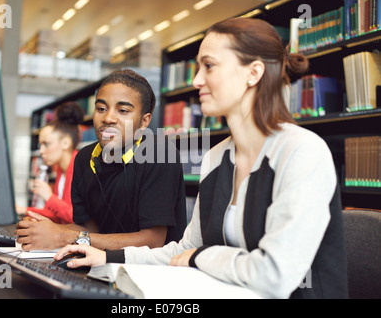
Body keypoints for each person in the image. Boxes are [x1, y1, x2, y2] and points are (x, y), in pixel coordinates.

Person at [54, 18, 348, 299]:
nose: (197, 80)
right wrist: (107, 256)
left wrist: (201, 257)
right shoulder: (216, 158)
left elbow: (275, 275)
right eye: (198, 68)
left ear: (253, 72)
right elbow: (182, 250)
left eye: (209, 66)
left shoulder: (302, 152)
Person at [16, 69, 187, 251]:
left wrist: (62, 236)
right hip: (100, 264)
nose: (108, 118)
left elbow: (152, 241)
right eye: (101, 109)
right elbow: (90, 229)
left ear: (144, 122)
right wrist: (43, 229)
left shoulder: (160, 153)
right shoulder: (84, 158)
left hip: (148, 272)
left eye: (122, 110)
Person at [17, 102, 83, 224]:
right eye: (40, 145)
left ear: (66, 143)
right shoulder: (61, 169)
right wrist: (23, 210)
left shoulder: (80, 168)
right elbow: (57, 214)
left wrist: (49, 196)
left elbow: (76, 217)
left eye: (46, 144)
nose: (41, 151)